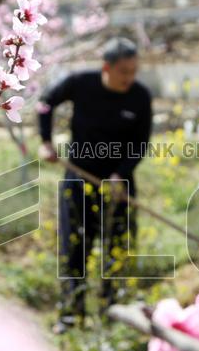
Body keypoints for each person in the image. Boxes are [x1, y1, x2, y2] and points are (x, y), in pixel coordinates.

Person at [38, 37, 153, 333]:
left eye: (133, 71)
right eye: (124, 71)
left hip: (119, 184)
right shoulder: (81, 84)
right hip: (79, 178)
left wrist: (120, 174)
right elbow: (45, 104)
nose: (129, 78)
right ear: (107, 67)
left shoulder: (140, 97)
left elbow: (140, 144)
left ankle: (112, 312)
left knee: (117, 248)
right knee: (75, 247)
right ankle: (71, 315)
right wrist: (46, 142)